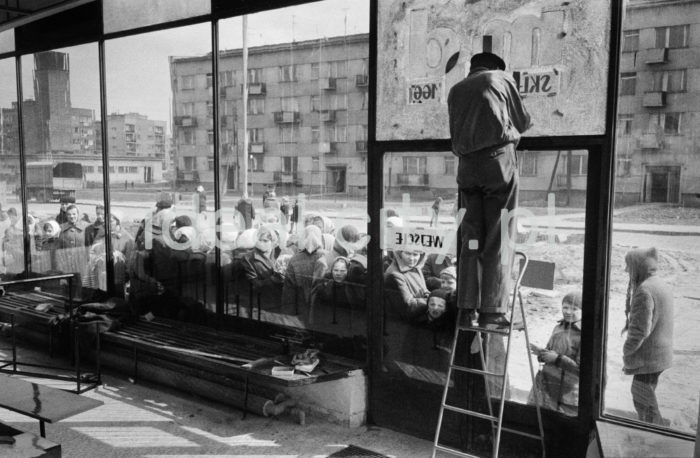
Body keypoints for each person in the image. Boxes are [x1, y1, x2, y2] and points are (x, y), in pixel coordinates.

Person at [448, 51, 532, 327]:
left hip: (467, 170)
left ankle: (466, 304)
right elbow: (523, 121)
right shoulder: (499, 79)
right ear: (497, 67)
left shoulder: (456, 90)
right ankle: (492, 311)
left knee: (471, 239)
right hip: (497, 165)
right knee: (497, 235)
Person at [622, 247, 673, 426]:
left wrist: (626, 353)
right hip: (659, 356)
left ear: (638, 267)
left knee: (644, 402)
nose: (626, 270)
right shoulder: (659, 283)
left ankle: (655, 434)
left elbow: (639, 331)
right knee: (646, 397)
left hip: (649, 359)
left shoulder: (644, 290)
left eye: (628, 266)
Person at [528, 291, 582, 416]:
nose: (568, 312)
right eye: (565, 307)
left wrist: (557, 358)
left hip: (567, 395)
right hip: (547, 387)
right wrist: (542, 353)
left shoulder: (583, 335)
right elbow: (550, 350)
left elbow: (580, 370)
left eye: (574, 309)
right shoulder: (558, 327)